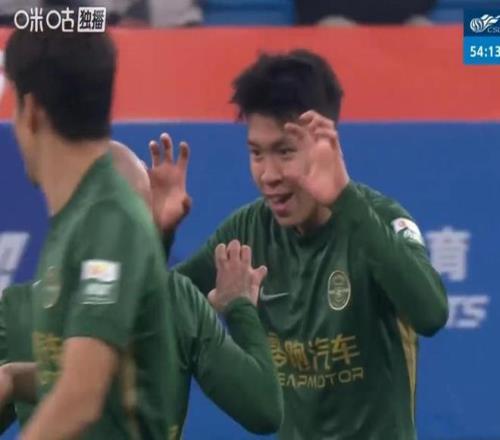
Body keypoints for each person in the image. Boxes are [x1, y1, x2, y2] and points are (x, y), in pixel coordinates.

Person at [151, 49, 449, 439]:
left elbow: (431, 314)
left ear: (325, 142)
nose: (268, 175)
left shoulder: (379, 220)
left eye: (285, 151)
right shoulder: (246, 231)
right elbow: (160, 310)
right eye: (256, 153)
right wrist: (159, 237)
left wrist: (345, 198)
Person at [0, 141, 283, 438]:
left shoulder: (18, 309)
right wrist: (239, 306)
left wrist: (19, 380)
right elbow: (263, 409)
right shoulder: (178, 300)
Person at [0, 28, 175, 439]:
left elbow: (81, 395)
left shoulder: (109, 220)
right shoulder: (80, 216)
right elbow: (93, 368)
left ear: (32, 111)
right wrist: (13, 376)